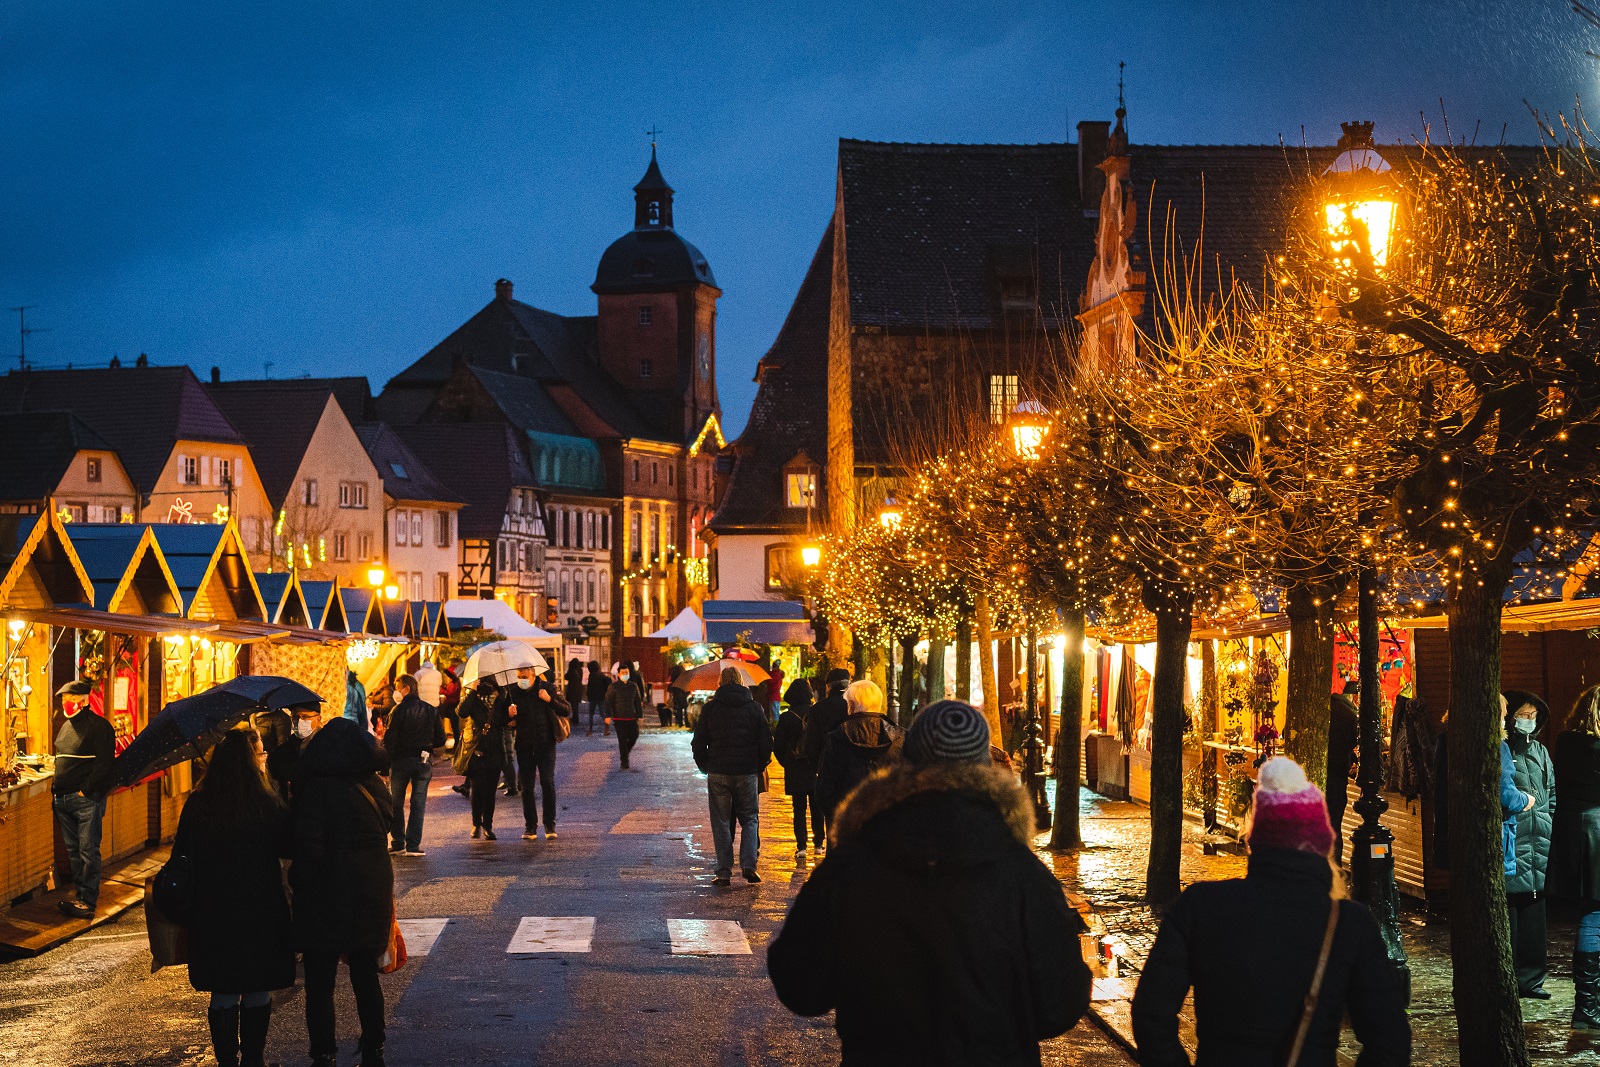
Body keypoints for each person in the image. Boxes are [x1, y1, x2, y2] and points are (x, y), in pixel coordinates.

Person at [769, 700, 1092, 1063]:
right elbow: (1059, 1003)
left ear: (906, 758)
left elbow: (801, 986)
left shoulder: (850, 865)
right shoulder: (1023, 875)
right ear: (985, 767)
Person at [1131, 756, 1411, 1065]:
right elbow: (1390, 1041)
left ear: (1256, 842)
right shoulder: (1349, 924)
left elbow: (1151, 1014)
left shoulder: (1201, 905)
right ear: (1322, 847)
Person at [176, 730, 295, 1067]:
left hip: (212, 908)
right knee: (258, 984)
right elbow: (288, 845)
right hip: (260, 906)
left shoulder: (199, 803)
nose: (264, 759)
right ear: (249, 760)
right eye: (260, 754)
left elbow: (182, 854)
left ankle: (226, 1058)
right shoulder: (266, 803)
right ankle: (253, 1057)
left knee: (223, 987)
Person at [288, 717, 394, 1067]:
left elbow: (307, 847)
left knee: (320, 982)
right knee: (365, 975)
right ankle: (375, 1046)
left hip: (324, 897)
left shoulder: (316, 788)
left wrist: (297, 884)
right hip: (370, 891)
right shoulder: (375, 785)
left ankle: (324, 1051)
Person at [691, 667, 774, 886]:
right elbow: (766, 740)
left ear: (720, 682)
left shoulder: (710, 709)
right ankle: (749, 866)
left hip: (718, 771)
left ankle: (724, 871)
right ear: (741, 682)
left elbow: (698, 742)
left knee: (720, 821)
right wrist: (760, 763)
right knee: (749, 818)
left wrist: (704, 766)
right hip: (746, 771)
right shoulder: (754, 708)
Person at [1553, 684, 1600, 1029]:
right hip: (1597, 829)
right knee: (1595, 916)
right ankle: (1587, 1006)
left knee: (1590, 911)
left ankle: (1586, 1004)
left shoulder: (1566, 742)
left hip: (1573, 829)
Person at [1505, 689, 1556, 1000]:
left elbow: (1551, 793)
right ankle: (1510, 978)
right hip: (1515, 839)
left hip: (1541, 842)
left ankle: (1532, 980)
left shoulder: (1540, 752)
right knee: (1512, 911)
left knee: (1535, 913)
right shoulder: (1502, 750)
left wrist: (1550, 822)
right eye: (1522, 715)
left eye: (1532, 716)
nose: (1527, 721)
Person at [51, 679, 114, 919]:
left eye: (72, 699)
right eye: (65, 700)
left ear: (85, 701)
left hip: (84, 800)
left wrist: (85, 791)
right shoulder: (66, 726)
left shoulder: (100, 727)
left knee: (88, 851)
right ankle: (80, 897)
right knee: (74, 852)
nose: (67, 703)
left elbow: (104, 765)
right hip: (63, 799)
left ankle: (87, 901)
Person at [813, 679, 902, 818]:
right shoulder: (899, 738)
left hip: (847, 820)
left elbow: (825, 787)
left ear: (852, 705)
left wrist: (837, 817)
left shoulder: (837, 737)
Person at [381, 673, 444, 856]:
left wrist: (385, 767)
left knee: (396, 803)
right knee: (418, 804)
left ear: (406, 688)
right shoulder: (431, 710)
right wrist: (427, 745)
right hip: (423, 761)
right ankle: (413, 845)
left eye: (397, 687)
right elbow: (440, 738)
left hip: (400, 762)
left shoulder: (397, 711)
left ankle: (398, 843)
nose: (396, 692)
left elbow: (389, 741)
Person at [507, 666, 569, 840]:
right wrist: (509, 717)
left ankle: (549, 824)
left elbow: (566, 709)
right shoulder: (513, 693)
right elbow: (503, 721)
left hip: (545, 744)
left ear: (533, 674)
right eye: (519, 676)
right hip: (524, 745)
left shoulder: (547, 688)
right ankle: (530, 827)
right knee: (526, 787)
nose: (522, 679)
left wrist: (549, 700)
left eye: (524, 676)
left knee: (547, 782)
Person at [800, 668, 852, 848]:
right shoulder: (852, 705)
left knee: (831, 819)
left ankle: (833, 856)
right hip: (852, 768)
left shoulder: (818, 709)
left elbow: (810, 744)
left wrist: (818, 768)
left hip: (828, 770)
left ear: (828, 686)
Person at [455, 678, 506, 839]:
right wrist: (472, 691)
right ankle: (476, 823)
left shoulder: (501, 698)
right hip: (476, 750)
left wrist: (510, 715)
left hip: (495, 750)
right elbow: (461, 712)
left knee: (491, 791)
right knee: (477, 790)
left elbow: (503, 722)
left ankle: (488, 826)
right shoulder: (472, 698)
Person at [773, 679, 819, 859]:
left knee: (798, 809)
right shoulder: (816, 714)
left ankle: (801, 846)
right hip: (814, 766)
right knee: (817, 807)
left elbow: (777, 746)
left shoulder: (786, 717)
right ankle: (819, 843)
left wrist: (787, 762)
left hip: (795, 769)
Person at [1328, 687, 1359, 862]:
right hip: (1338, 775)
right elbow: (1354, 740)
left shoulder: (1317, 710)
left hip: (1316, 776)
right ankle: (1335, 867)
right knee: (1334, 825)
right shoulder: (1348, 715)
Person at [264, 706, 322, 799]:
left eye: (305, 717)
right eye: (295, 717)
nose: (299, 721)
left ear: (318, 719)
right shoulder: (281, 752)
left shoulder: (326, 747)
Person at [605, 662, 645, 770]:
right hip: (619, 718)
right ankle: (624, 762)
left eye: (627, 672)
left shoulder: (633, 686)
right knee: (622, 740)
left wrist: (640, 715)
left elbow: (638, 701)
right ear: (618, 674)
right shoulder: (613, 687)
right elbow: (608, 702)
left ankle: (625, 753)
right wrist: (607, 715)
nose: (625, 674)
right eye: (623, 672)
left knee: (634, 735)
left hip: (632, 717)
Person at [586, 660, 610, 736]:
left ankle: (590, 730)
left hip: (593, 697)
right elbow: (608, 681)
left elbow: (589, 687)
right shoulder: (601, 675)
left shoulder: (591, 675)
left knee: (591, 714)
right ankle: (607, 728)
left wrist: (588, 695)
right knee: (603, 713)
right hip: (601, 697)